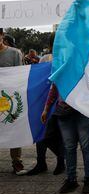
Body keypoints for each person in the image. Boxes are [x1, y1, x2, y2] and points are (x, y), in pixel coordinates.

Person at [42, 84, 89, 194]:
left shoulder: (84, 66)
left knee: (85, 147)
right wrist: (46, 108)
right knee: (69, 147)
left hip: (83, 111)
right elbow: (55, 88)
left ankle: (88, 179)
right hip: (64, 112)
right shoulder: (60, 67)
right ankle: (71, 179)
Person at [27, 34, 65, 176]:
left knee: (58, 132)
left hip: (60, 100)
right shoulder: (45, 59)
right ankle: (41, 162)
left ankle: (61, 161)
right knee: (41, 130)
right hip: (45, 100)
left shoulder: (67, 58)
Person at [0, 28, 26, 175]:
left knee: (13, 129)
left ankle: (17, 162)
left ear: (2, 36)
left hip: (9, 100)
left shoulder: (15, 53)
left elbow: (20, 76)